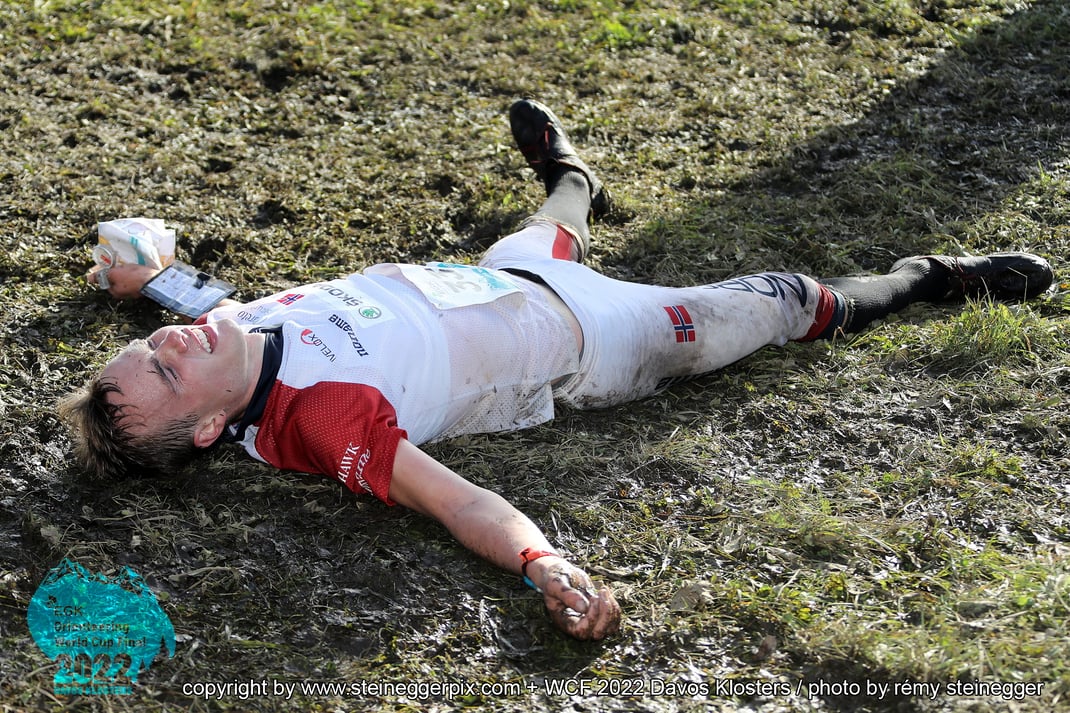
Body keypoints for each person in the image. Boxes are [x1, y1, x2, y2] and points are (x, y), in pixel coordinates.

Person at [60, 99, 1054, 642]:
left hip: (507, 275)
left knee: (548, 230)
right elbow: (458, 503)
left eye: (153, 342)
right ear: (208, 430)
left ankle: (573, 176)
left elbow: (189, 299)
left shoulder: (220, 330)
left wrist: (146, 277)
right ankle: (930, 277)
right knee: (785, 298)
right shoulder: (318, 422)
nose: (174, 343)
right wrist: (542, 561)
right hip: (603, 341)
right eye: (167, 367)